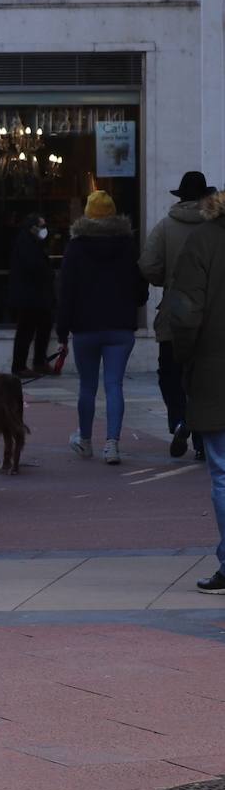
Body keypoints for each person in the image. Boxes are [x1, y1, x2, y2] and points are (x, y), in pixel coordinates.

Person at [57, 190, 148, 465]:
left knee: (87, 386)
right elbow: (140, 289)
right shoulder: (128, 246)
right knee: (114, 385)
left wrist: (62, 332)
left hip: (85, 327)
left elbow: (66, 292)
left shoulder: (76, 247)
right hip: (120, 327)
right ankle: (112, 444)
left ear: (87, 214)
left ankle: (85, 440)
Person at [167, 190, 225, 592]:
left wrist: (186, 359)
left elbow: (185, 311)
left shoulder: (204, 239)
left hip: (214, 368)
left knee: (223, 472)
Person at [142, 171, 214, 461]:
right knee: (202, 379)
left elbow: (148, 265)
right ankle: (200, 438)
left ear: (180, 196)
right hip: (209, 314)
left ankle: (178, 420)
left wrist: (165, 280)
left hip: (174, 311)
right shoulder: (215, 227)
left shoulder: (165, 226)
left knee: (169, 374)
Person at [8, 214, 56, 377]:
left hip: (38, 296)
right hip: (30, 297)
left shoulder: (33, 243)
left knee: (43, 327)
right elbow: (33, 267)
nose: (44, 230)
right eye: (41, 226)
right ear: (32, 228)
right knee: (26, 331)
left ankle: (39, 362)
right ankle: (20, 365)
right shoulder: (26, 244)